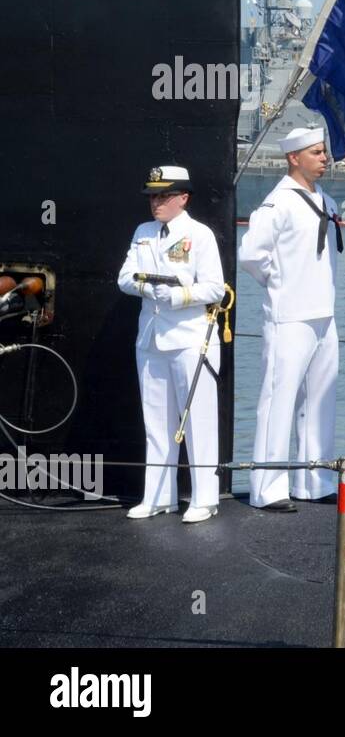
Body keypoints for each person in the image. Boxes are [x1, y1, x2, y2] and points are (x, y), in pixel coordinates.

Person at [238, 127, 343, 511]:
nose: (324, 158)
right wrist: (279, 283)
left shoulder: (325, 199)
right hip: (290, 317)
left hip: (324, 314)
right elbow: (250, 255)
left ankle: (314, 482)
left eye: (323, 152)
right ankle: (268, 488)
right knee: (277, 400)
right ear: (293, 158)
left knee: (319, 401)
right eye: (315, 152)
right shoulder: (277, 203)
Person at [116, 165, 225, 523]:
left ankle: (204, 498)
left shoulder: (200, 235)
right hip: (151, 335)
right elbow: (125, 278)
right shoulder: (143, 232)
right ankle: (160, 496)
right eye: (152, 196)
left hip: (190, 337)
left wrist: (176, 295)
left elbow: (213, 288)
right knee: (156, 421)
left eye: (163, 195)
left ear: (183, 197)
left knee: (198, 421)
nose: (155, 203)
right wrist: (150, 288)